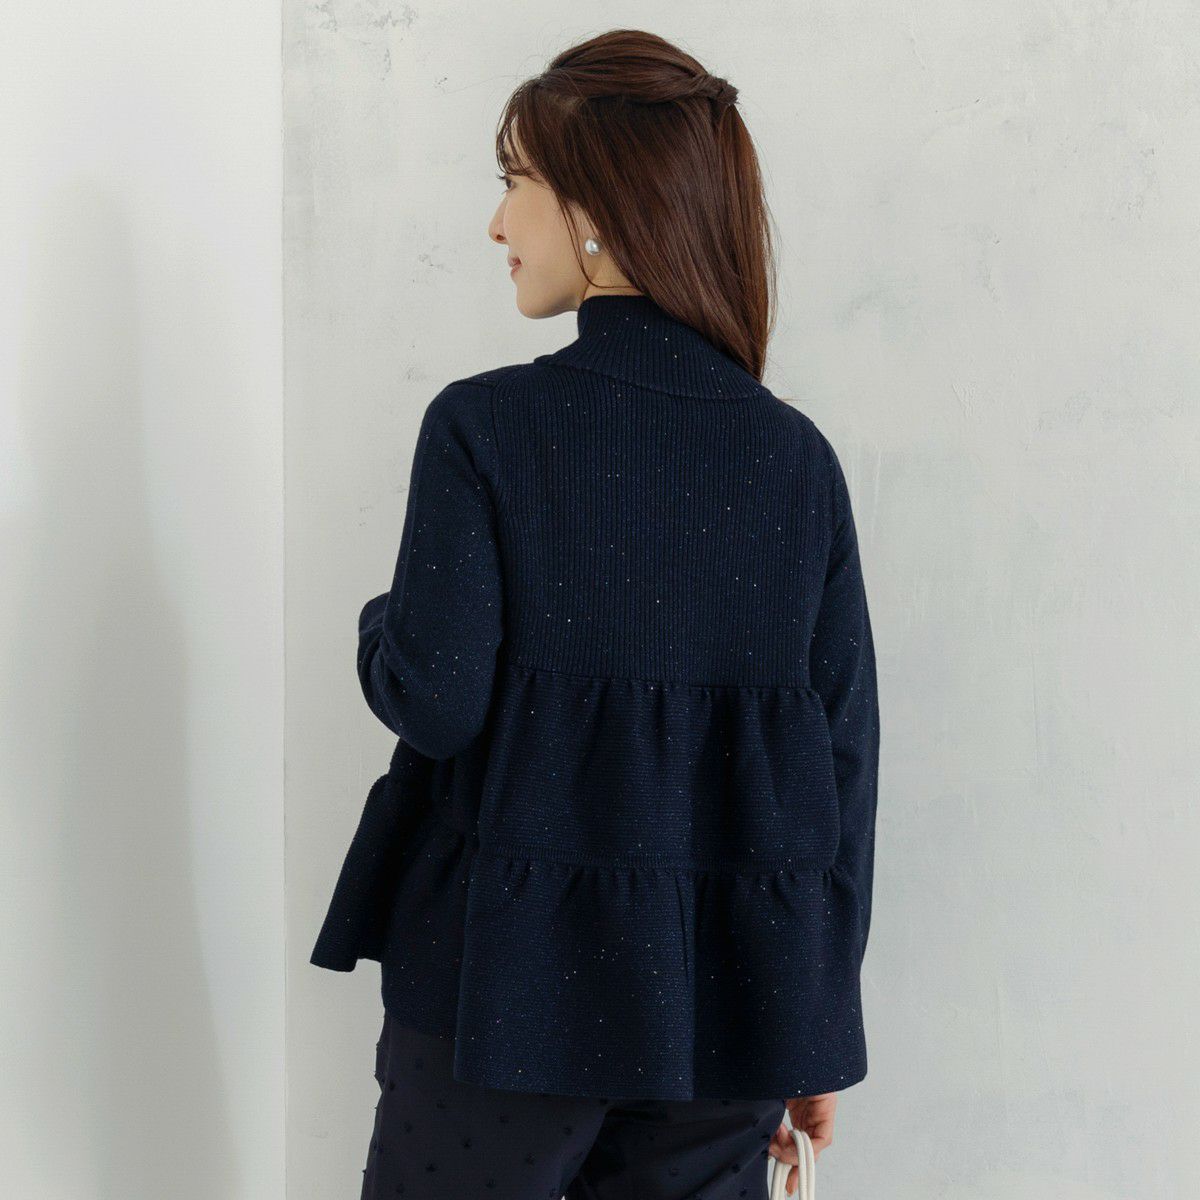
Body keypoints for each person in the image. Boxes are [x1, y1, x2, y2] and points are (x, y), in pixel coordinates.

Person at [310, 27, 881, 1200]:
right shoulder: (795, 463)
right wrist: (816, 1019)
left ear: (598, 209)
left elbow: (435, 695)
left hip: (499, 993)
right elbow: (843, 766)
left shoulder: (485, 429)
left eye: (515, 179)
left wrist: (382, 621)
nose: (497, 223)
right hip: (723, 1012)